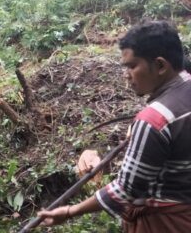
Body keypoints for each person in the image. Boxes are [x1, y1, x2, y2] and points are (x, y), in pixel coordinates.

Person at [38, 21, 191, 233]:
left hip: (165, 225)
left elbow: (125, 191)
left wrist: (70, 211)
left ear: (160, 66)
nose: (126, 75)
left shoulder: (154, 120)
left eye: (132, 66)